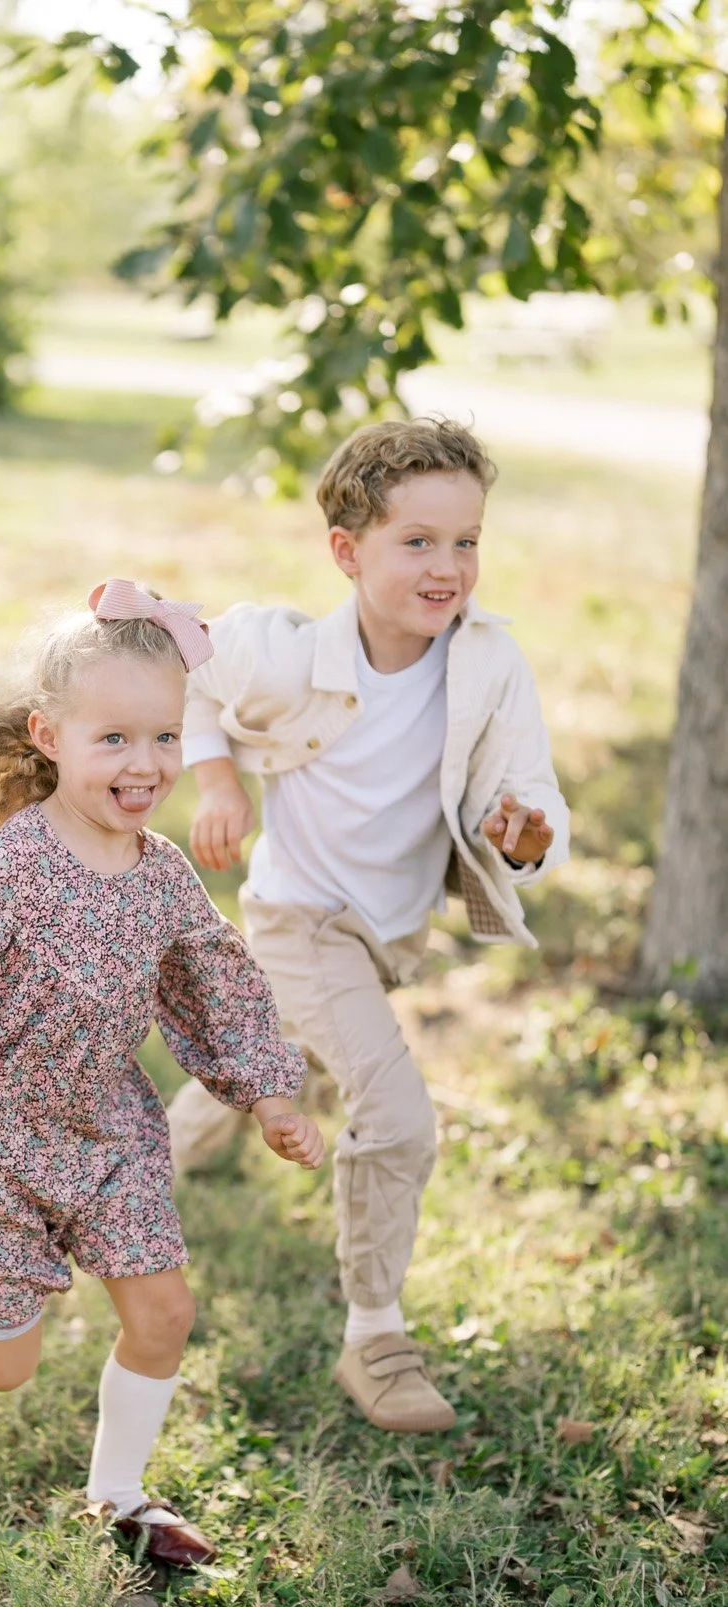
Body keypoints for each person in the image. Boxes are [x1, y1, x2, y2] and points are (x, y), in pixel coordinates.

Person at [0, 580, 322, 1566]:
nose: (146, 765)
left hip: (103, 1128)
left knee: (164, 1309)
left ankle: (118, 1496)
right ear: (49, 735)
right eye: (115, 740)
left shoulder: (164, 871)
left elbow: (212, 981)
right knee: (0, 1364)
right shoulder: (3, 871)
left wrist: (265, 1091)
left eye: (165, 738)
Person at [167, 418, 569, 1435]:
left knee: (263, 1056)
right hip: (299, 916)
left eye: (466, 540)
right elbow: (188, 677)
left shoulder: (489, 665)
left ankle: (148, 1163)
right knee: (394, 1116)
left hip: (387, 934)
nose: (449, 567)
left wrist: (520, 834)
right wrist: (215, 778)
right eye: (418, 541)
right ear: (347, 552)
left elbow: (528, 800)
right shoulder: (285, 651)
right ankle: (374, 1339)